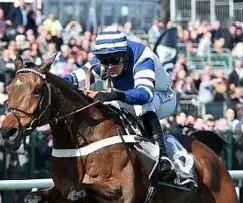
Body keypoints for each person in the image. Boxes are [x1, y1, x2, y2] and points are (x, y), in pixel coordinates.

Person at [62, 25, 176, 181]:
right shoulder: (108, 57)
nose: (109, 66)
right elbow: (75, 78)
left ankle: (163, 158)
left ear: (125, 56)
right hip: (128, 98)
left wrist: (114, 95)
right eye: (104, 61)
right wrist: (51, 80)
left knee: (142, 105)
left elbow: (145, 94)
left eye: (115, 60)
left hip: (163, 98)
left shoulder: (143, 57)